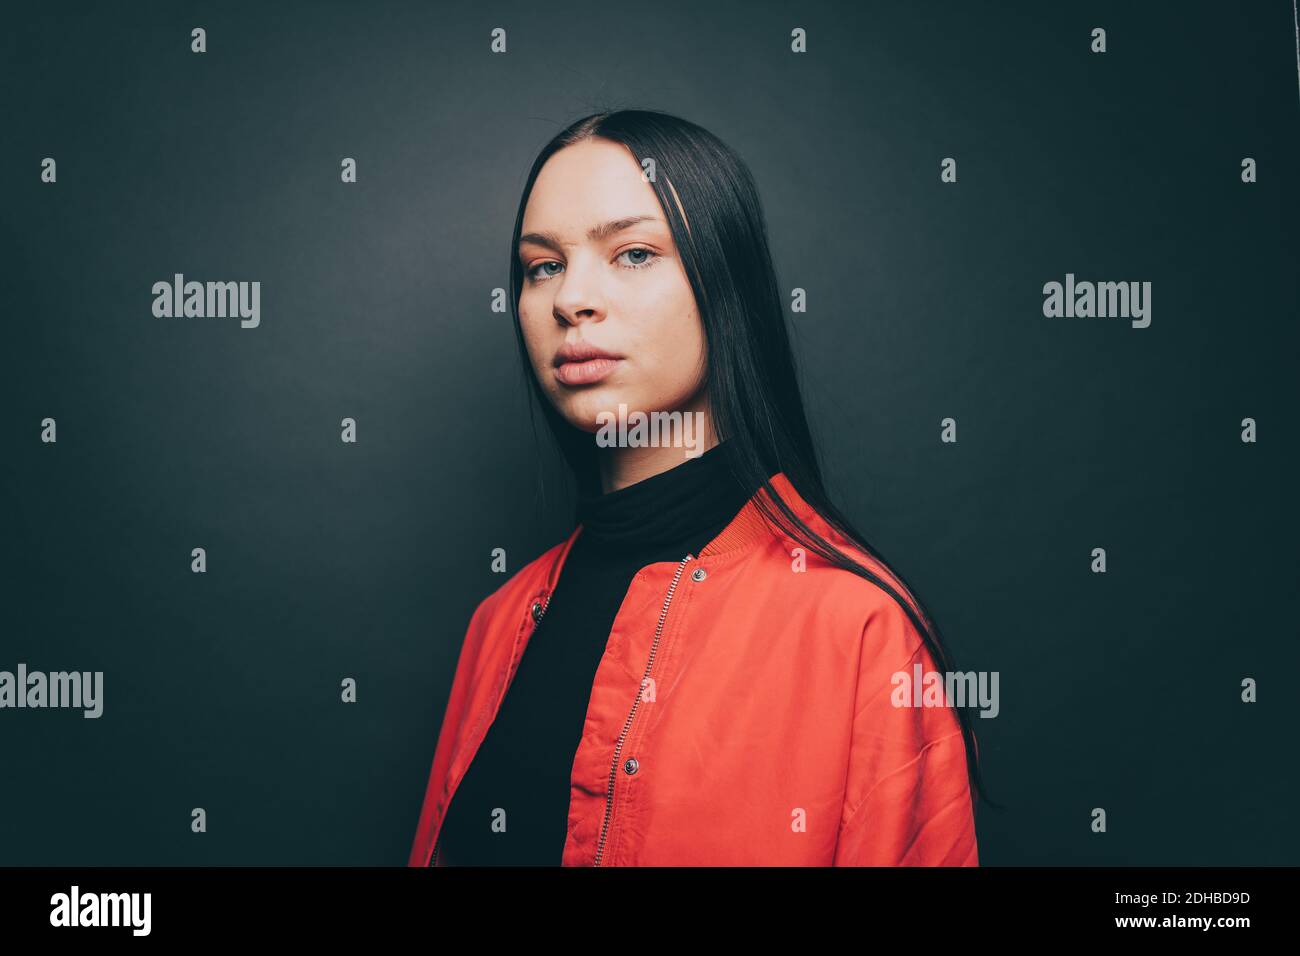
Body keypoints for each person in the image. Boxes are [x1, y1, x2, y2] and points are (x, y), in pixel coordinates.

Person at [409, 109, 989, 866]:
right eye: (542, 266)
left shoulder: (860, 632)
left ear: (726, 284)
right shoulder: (499, 623)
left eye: (635, 253)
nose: (570, 300)